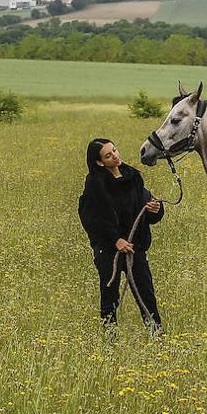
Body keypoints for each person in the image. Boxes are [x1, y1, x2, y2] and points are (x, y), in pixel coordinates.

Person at [78, 137, 165, 332]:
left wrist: (155, 209)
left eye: (115, 151)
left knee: (146, 295)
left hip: (135, 248)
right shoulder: (94, 185)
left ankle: (157, 336)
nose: (115, 156)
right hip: (110, 251)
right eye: (108, 155)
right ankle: (110, 339)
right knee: (110, 295)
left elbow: (147, 213)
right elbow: (91, 220)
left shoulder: (133, 176)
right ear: (100, 162)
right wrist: (115, 240)